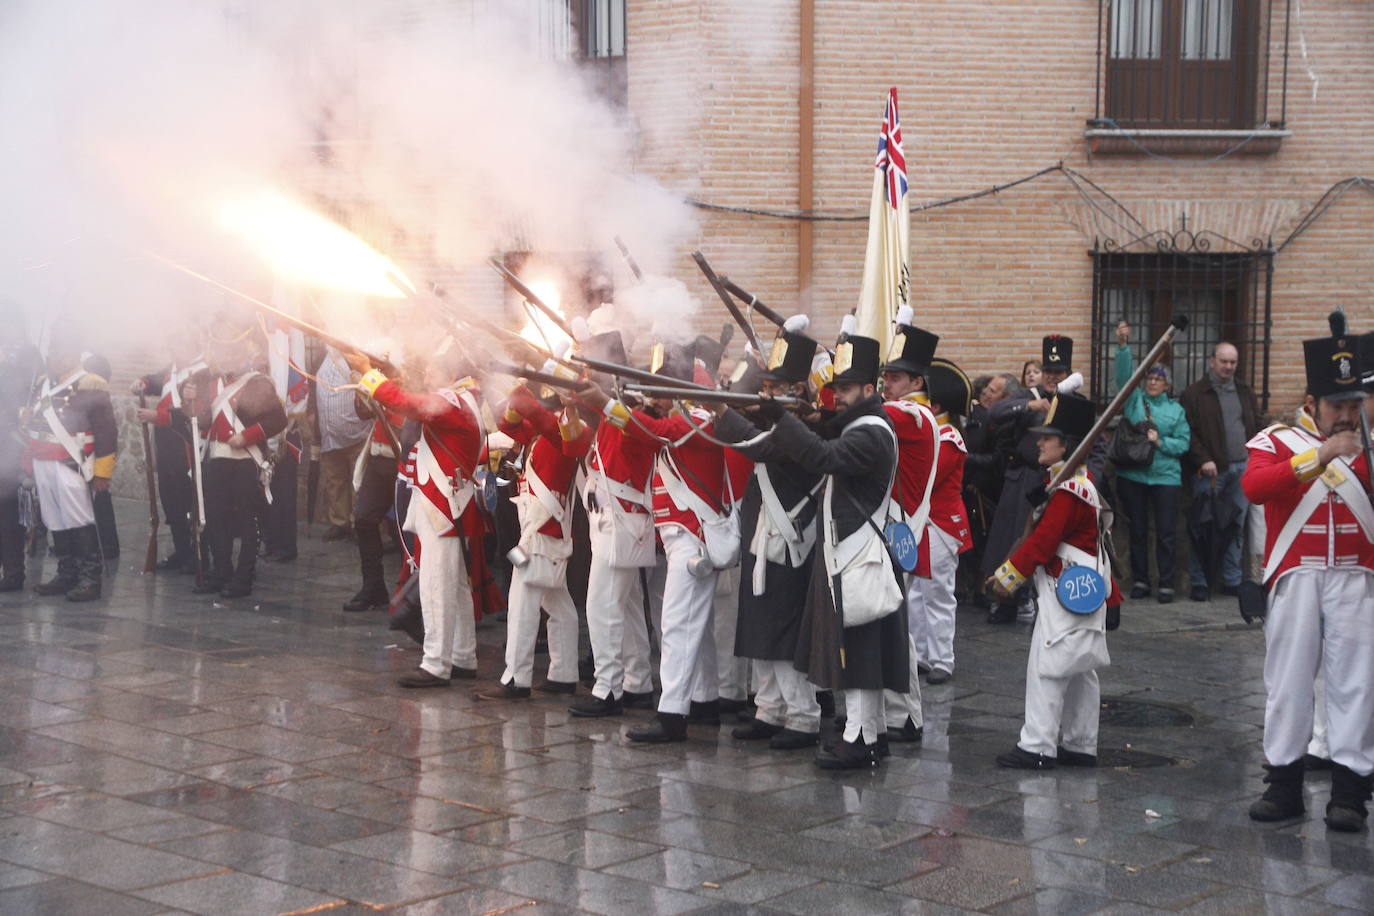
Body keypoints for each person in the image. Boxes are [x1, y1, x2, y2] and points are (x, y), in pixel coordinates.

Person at [1241, 320, 1374, 833]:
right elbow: (1255, 487)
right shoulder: (1279, 441)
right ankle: (1283, 784)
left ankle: (1349, 792)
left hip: (1356, 577)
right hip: (1297, 576)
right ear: (1312, 402)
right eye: (1337, 406)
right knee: (1289, 681)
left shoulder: (1369, 447)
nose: (1346, 415)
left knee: (1355, 684)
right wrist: (1320, 456)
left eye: (1353, 405)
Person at [578, 341, 735, 744]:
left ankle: (672, 714)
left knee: (678, 627)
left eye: (659, 388)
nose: (654, 397)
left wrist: (607, 405)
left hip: (692, 537)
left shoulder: (696, 417)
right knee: (694, 628)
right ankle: (703, 702)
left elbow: (655, 431)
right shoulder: (686, 414)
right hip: (683, 536)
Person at [773, 322, 909, 769]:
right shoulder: (865, 424)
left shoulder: (869, 431)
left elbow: (824, 457)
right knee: (856, 649)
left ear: (870, 387)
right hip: (850, 550)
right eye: (838, 386)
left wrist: (782, 419)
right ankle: (867, 732)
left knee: (862, 651)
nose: (839, 395)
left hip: (857, 552)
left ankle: (862, 737)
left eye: (848, 387)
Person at [990, 395, 1121, 769]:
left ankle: (1037, 745)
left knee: (1048, 664)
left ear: (1067, 445)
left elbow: (1043, 543)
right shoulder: (1077, 481)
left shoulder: (1068, 490)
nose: (1039, 443)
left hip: (1066, 586)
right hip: (1082, 585)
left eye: (1049, 437)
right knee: (1080, 669)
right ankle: (1080, 744)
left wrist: (1006, 578)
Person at [711, 324, 825, 750]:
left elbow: (760, 445)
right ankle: (770, 708)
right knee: (760, 624)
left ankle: (802, 715)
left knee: (782, 629)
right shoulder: (784, 418)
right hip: (764, 534)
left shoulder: (806, 427)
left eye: (775, 386)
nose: (766, 392)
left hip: (787, 538)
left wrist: (723, 413)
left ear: (796, 388)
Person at [346, 341, 487, 687]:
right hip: (447, 503)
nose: (427, 373)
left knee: (437, 585)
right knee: (455, 585)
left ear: (453, 374)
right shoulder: (462, 399)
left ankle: (437, 664)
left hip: (442, 506)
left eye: (435, 369)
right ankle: (463, 656)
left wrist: (367, 375)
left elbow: (407, 404)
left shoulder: (452, 401)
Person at [566, 330, 659, 718]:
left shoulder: (631, 410)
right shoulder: (612, 410)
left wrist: (605, 402)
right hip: (614, 521)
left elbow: (637, 431)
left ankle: (608, 688)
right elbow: (579, 441)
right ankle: (637, 682)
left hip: (622, 522)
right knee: (629, 606)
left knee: (602, 607)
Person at [477, 381, 589, 699]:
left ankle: (517, 678)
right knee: (558, 603)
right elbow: (508, 425)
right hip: (537, 529)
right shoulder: (542, 432)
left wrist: (520, 394)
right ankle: (564, 673)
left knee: (522, 603)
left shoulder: (562, 428)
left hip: (542, 531)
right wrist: (514, 394)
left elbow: (537, 417)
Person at [984, 335, 1095, 624]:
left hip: (1053, 481)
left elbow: (1094, 447)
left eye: (1058, 373)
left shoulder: (1075, 405)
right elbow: (994, 411)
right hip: (1021, 479)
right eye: (1048, 372)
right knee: (1010, 542)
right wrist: (1029, 407)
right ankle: (1004, 600)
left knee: (1042, 542)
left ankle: (1030, 600)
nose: (1051, 377)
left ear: (1068, 374)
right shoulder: (1027, 397)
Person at [185, 318, 286, 598]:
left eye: (230, 352)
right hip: (217, 458)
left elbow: (278, 419)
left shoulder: (258, 383)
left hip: (245, 460)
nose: (225, 357)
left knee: (245, 519)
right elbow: (203, 420)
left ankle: (243, 577)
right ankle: (221, 572)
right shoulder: (211, 381)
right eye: (221, 352)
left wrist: (246, 436)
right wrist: (189, 400)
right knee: (216, 518)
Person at [877, 308, 937, 739]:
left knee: (895, 628)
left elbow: (868, 415)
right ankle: (890, 711)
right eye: (885, 376)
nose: (886, 384)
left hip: (899, 531)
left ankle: (906, 715)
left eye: (896, 377)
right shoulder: (900, 411)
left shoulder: (912, 415)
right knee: (884, 624)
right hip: (890, 529)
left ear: (917, 383)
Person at [27, 323, 117, 602]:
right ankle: (66, 574)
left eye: (63, 353)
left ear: (75, 355)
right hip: (43, 459)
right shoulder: (42, 382)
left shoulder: (90, 383)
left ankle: (89, 578)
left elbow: (106, 432)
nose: (57, 359)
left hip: (71, 461)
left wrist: (103, 471)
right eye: (54, 353)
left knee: (79, 519)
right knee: (54, 518)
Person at [1113, 322, 1191, 603]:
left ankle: (1167, 583)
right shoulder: (1135, 400)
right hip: (1133, 475)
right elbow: (1124, 379)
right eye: (1150, 377)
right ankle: (1142, 581)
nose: (1153, 381)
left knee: (1167, 533)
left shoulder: (1176, 410)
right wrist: (1123, 347)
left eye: (1159, 378)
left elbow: (1183, 443)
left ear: (1168, 385)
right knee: (1137, 532)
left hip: (1166, 478)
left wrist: (1160, 443)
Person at [1179, 341, 1261, 600]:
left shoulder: (1245, 392)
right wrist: (1202, 459)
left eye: (1232, 362)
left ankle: (1232, 579)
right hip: (1209, 471)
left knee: (1235, 525)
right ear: (1211, 361)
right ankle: (1200, 582)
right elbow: (1187, 433)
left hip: (1242, 468)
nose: (1228, 367)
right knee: (1202, 526)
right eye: (1223, 361)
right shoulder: (1194, 394)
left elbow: (1257, 426)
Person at [909, 359, 974, 684]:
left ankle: (942, 660)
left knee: (937, 593)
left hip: (941, 524)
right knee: (916, 594)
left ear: (935, 405)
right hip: (923, 523)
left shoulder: (949, 437)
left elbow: (927, 477)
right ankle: (921, 654)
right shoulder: (932, 433)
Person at [132, 331, 205, 574]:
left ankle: (197, 555)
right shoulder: (172, 370)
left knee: (188, 501)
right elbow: (155, 380)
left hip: (185, 445)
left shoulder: (202, 372)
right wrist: (142, 381)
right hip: (165, 444)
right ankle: (181, 550)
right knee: (170, 500)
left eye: (180, 347)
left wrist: (157, 416)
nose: (176, 352)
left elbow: (193, 412)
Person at [0, 311, 41, 591]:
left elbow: (31, 393)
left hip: (12, 441)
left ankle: (14, 573)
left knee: (8, 512)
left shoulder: (30, 356)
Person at [313, 347, 372, 541]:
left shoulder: (356, 353)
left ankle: (359, 524)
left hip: (357, 431)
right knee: (334, 481)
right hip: (329, 432)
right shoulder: (323, 355)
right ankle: (340, 522)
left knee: (358, 481)